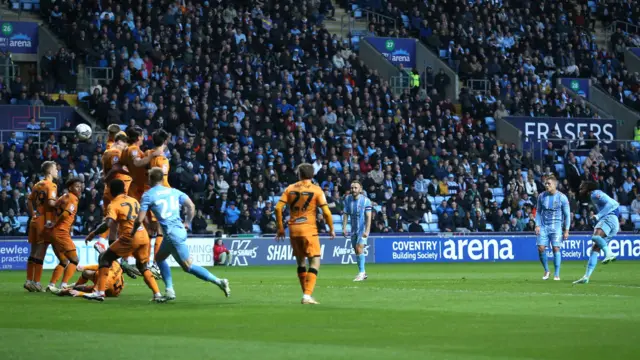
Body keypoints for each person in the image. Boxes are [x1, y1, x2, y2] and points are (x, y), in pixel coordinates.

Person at [133, 168, 230, 301]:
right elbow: (191, 206)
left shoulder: (148, 195)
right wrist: (187, 222)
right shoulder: (174, 191)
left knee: (188, 267)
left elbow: (139, 219)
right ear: (162, 179)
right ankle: (169, 290)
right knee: (159, 258)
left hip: (172, 235)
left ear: (150, 179)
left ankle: (219, 281)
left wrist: (133, 232)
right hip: (177, 231)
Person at [83, 179, 164, 302]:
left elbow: (108, 223)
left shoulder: (114, 204)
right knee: (143, 267)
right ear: (124, 190)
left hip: (130, 237)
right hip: (144, 236)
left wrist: (93, 233)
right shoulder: (133, 200)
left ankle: (99, 292)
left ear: (111, 191)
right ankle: (157, 294)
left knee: (104, 258)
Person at [275, 163, 335, 305]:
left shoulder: (290, 188)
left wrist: (281, 228)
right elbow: (326, 212)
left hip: (294, 229)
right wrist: (331, 228)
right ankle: (307, 296)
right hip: (309, 230)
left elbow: (278, 208)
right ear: (312, 175)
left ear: (299, 174)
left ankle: (306, 295)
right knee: (315, 261)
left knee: (301, 262)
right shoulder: (316, 190)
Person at [98, 132, 139, 279]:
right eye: (124, 144)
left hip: (109, 189)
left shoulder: (106, 152)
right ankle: (105, 244)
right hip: (117, 190)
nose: (125, 148)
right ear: (119, 142)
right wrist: (129, 171)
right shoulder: (115, 152)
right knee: (125, 223)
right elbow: (116, 168)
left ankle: (116, 258)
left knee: (112, 222)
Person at [574, 181, 619, 284]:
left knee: (595, 237)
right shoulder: (593, 196)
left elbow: (612, 204)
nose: (580, 189)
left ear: (588, 188)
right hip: (613, 221)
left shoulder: (595, 193)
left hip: (609, 218)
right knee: (595, 249)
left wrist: (599, 215)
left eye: (582, 188)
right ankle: (586, 277)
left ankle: (609, 253)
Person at [24, 161, 58, 292]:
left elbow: (29, 199)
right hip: (44, 220)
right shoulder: (52, 185)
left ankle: (29, 281)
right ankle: (37, 282)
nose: (57, 171)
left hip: (35, 219)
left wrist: (32, 213)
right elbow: (50, 202)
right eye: (55, 169)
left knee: (33, 251)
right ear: (49, 171)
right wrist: (60, 202)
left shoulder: (37, 184)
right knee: (40, 252)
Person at [50, 241, 125, 298]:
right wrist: (84, 267)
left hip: (110, 292)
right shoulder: (115, 264)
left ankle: (63, 291)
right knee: (87, 272)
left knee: (79, 288)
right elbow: (102, 264)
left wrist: (79, 293)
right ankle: (76, 286)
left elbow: (95, 294)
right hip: (116, 286)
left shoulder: (105, 280)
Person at [46, 178, 82, 292]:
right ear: (70, 187)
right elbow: (66, 214)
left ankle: (51, 285)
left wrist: (50, 222)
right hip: (61, 232)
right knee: (75, 260)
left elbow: (52, 207)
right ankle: (64, 285)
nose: (79, 188)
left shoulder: (63, 197)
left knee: (63, 261)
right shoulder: (73, 198)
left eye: (80, 186)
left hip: (53, 233)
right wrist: (55, 223)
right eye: (77, 186)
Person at [534, 175, 570, 281]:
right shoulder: (541, 196)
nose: (546, 185)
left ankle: (557, 274)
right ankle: (546, 270)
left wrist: (566, 230)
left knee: (556, 248)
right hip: (544, 226)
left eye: (549, 183)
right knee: (540, 248)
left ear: (555, 185)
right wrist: (537, 225)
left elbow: (567, 215)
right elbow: (539, 212)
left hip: (556, 227)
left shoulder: (562, 197)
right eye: (545, 183)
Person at [342, 180, 372, 281]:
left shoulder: (366, 201)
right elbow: (346, 214)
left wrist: (367, 231)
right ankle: (363, 272)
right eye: (352, 188)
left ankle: (362, 273)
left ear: (360, 189)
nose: (353, 190)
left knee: (359, 248)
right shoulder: (347, 199)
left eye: (355, 188)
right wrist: (344, 227)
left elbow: (368, 217)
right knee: (357, 251)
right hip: (353, 230)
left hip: (362, 229)